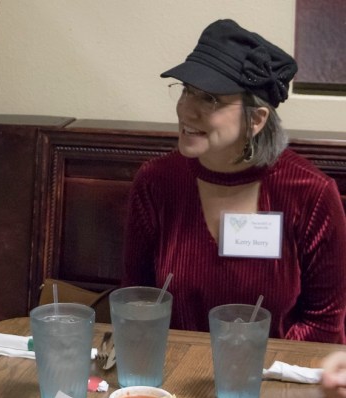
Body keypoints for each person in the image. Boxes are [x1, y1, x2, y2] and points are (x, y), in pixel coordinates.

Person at [122, 19, 346, 343]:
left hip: (273, 380)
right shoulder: (157, 182)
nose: (186, 110)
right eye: (187, 91)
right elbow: (136, 300)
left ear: (256, 119)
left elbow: (323, 325)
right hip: (171, 377)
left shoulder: (310, 194)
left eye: (210, 99)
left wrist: (250, 369)